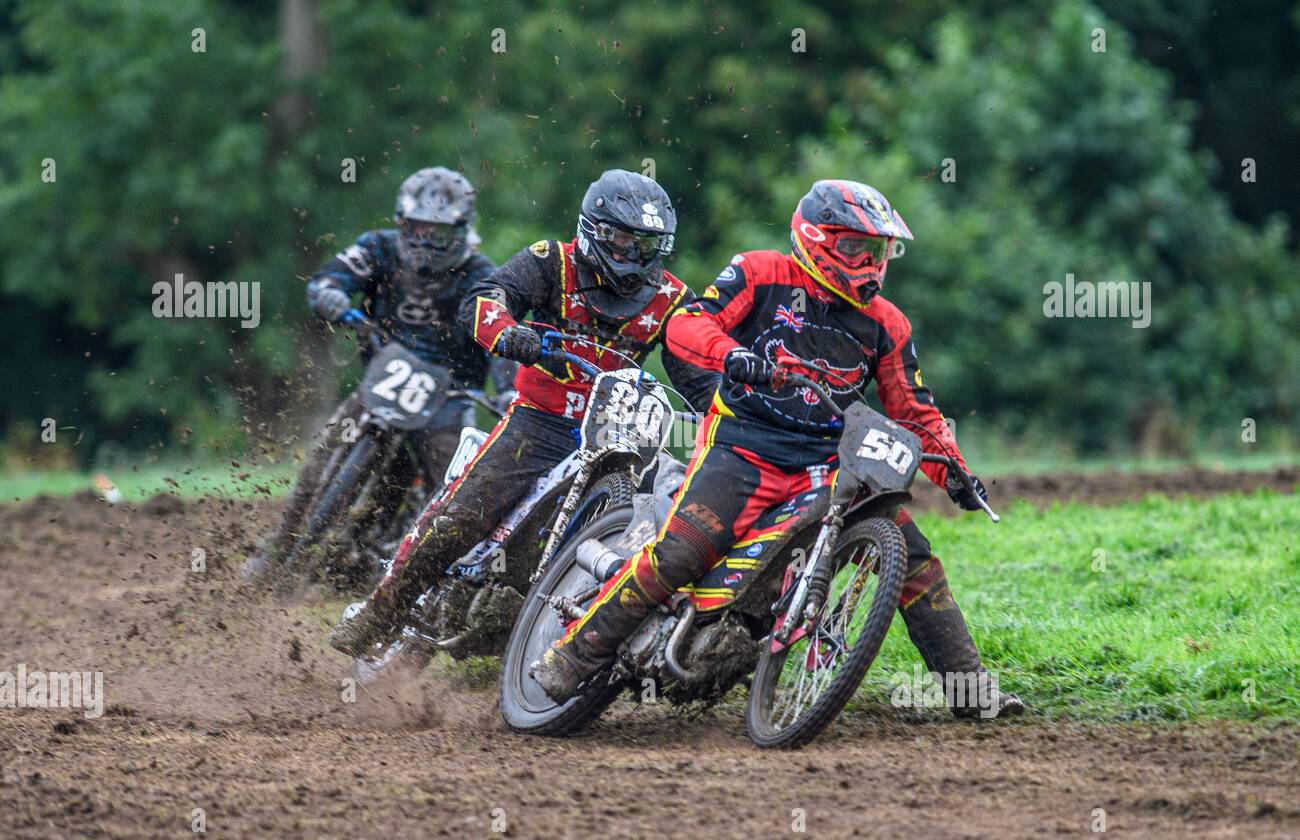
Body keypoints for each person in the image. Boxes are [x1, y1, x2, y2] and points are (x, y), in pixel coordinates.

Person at [532, 179, 1023, 718]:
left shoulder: (888, 324)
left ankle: (971, 691)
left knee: (916, 555)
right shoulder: (759, 273)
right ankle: (573, 656)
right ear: (816, 239)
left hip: (827, 459)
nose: (870, 264)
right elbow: (688, 325)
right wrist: (730, 356)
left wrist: (953, 470)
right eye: (856, 248)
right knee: (681, 553)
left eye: (878, 251)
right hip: (743, 447)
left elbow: (914, 409)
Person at [329, 169, 718, 655]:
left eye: (645, 244)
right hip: (540, 422)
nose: (631, 254)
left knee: (659, 525)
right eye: (621, 240)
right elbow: (483, 299)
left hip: (619, 436)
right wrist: (512, 334)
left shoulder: (674, 301)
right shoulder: (551, 262)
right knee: (464, 517)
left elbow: (699, 376)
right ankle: (380, 612)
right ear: (594, 230)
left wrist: (726, 416)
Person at [244, 167, 503, 578]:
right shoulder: (378, 249)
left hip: (448, 399)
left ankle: (430, 580)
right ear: (401, 224)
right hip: (385, 379)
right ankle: (281, 545)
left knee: (453, 494)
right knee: (326, 452)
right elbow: (330, 277)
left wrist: (506, 390)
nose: (425, 243)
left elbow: (501, 333)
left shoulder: (482, 275)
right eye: (417, 230)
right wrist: (331, 296)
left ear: (461, 230)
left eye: (437, 234)